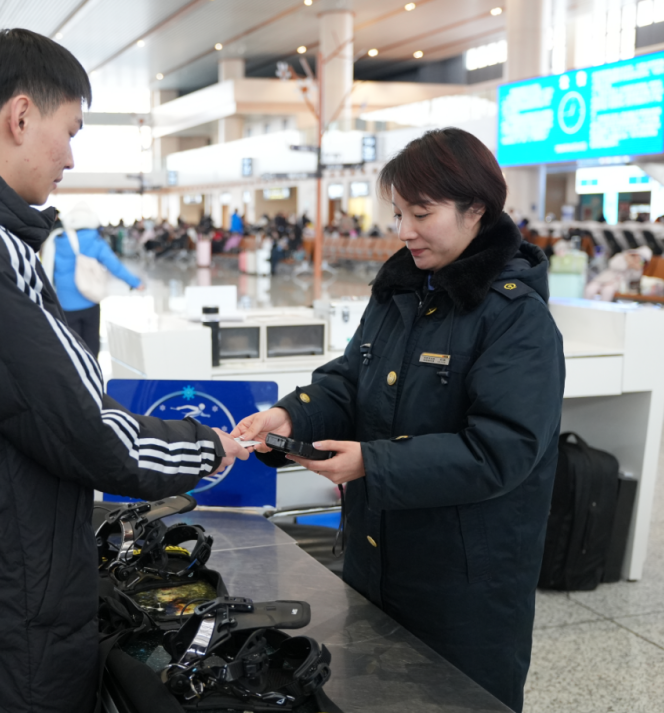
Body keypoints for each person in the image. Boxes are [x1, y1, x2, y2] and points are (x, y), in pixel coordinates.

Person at [0, 29, 247, 713]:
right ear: (22, 115)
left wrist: (73, 316)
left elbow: (2, 393)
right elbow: (84, 429)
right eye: (70, 130)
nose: (70, 156)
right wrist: (210, 446)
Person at [232, 128, 565, 713]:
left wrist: (372, 461)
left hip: (463, 585)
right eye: (398, 213)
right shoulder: (401, 292)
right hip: (376, 554)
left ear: (476, 210)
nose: (404, 230)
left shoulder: (516, 318)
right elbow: (351, 378)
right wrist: (289, 412)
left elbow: (502, 450)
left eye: (422, 213)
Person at [47, 203, 143, 354]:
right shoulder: (95, 241)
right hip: (89, 299)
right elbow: (114, 266)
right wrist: (135, 283)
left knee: (71, 346)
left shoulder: (57, 239)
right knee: (91, 345)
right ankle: (91, 374)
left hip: (64, 302)